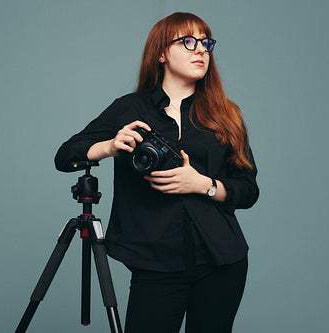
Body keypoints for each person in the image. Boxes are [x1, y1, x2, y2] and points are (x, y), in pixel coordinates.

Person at [54, 12, 259, 333]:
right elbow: (65, 157)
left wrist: (203, 184)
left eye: (206, 43)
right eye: (188, 42)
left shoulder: (225, 113)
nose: (201, 50)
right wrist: (109, 146)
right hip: (155, 263)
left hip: (222, 261)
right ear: (161, 52)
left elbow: (248, 189)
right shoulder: (129, 109)